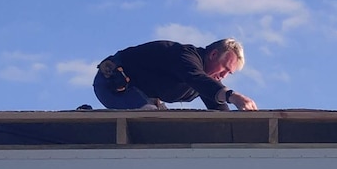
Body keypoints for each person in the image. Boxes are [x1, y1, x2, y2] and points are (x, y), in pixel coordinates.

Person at [93, 38, 258, 111]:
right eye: (224, 68)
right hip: (112, 82)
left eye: (229, 73)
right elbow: (196, 78)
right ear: (213, 55)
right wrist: (233, 96)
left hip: (141, 94)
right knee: (151, 118)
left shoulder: (205, 82)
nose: (223, 76)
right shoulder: (185, 57)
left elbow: (219, 107)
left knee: (161, 118)